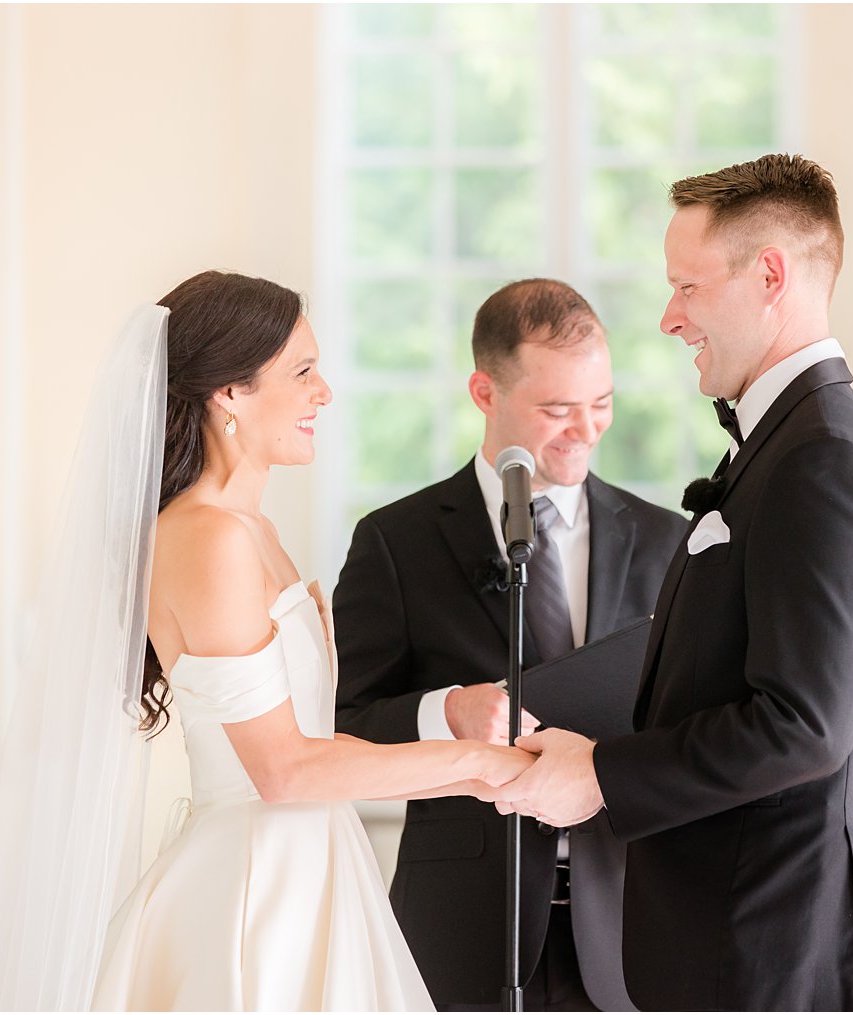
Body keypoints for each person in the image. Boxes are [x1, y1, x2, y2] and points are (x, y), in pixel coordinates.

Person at [0, 271, 532, 1012]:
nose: (325, 393)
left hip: (314, 862)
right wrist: (480, 762)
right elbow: (282, 767)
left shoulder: (253, 532)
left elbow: (312, 741)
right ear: (230, 394)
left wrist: (489, 775)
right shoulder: (209, 537)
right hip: (257, 891)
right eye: (303, 371)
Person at [488, 155, 853, 1011]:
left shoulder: (819, 456)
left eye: (687, 286)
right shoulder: (786, 442)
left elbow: (803, 726)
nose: (670, 317)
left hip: (768, 953)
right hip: (736, 945)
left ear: (771, 276)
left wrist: (603, 772)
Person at [334, 279, 686, 1011]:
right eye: (557, 409)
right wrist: (444, 712)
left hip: (633, 927)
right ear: (484, 391)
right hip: (461, 927)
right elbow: (342, 727)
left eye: (602, 404)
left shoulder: (666, 542)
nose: (585, 430)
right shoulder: (395, 543)